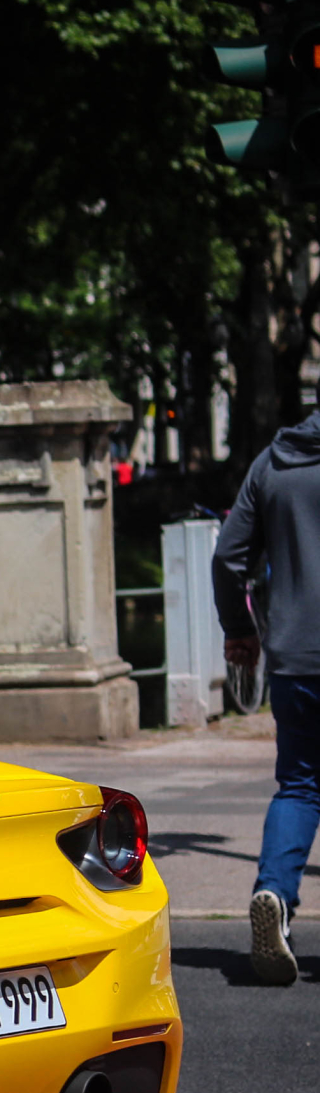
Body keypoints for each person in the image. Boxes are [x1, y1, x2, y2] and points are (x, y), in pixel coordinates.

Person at [214, 410, 320, 984]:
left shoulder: (274, 462)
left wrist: (240, 630)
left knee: (300, 784)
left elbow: (227, 557)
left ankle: (274, 894)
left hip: (296, 657)